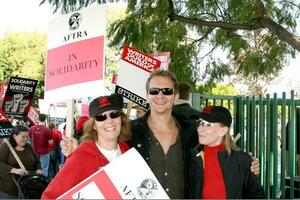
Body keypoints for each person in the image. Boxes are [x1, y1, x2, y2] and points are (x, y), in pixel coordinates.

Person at [60, 69, 260, 199]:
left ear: (176, 95)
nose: (161, 96)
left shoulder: (193, 132)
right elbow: (105, 147)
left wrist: (247, 163)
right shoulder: (130, 133)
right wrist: (76, 148)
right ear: (147, 95)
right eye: (154, 91)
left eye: (167, 91)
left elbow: (220, 153)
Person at [42, 94, 131, 199]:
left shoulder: (127, 151)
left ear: (121, 119)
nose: (109, 121)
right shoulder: (80, 157)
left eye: (114, 114)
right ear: (93, 125)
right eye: (101, 117)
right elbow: (49, 196)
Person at [188, 106, 265, 198]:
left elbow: (257, 195)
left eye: (208, 125)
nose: (199, 129)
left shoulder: (242, 161)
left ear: (223, 131)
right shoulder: (191, 158)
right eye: (199, 123)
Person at [0, 125, 42, 199]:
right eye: (23, 136)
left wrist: (39, 170)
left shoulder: (29, 147)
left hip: (26, 189)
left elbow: (37, 162)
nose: (25, 139)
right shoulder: (5, 147)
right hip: (9, 191)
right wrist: (13, 170)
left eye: (27, 136)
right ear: (15, 136)